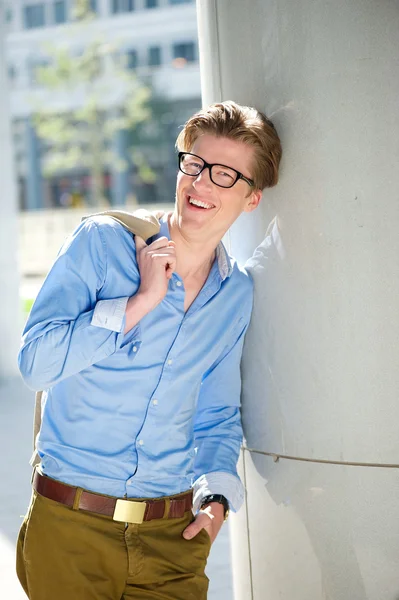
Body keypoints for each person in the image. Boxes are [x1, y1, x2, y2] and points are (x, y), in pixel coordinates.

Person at [16, 100, 282, 600]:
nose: (200, 184)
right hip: (71, 529)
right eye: (195, 164)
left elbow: (217, 411)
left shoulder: (235, 293)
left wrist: (218, 498)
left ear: (252, 199)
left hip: (171, 539)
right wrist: (137, 305)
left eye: (225, 175)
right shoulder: (103, 243)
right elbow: (36, 363)